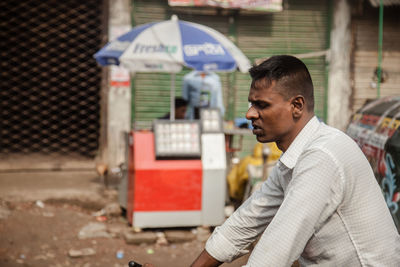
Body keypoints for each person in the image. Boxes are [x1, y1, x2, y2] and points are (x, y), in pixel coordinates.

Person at [188, 55, 400, 266]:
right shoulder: (295, 158)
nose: (250, 114)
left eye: (261, 104)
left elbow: (273, 254)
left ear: (297, 105)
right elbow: (245, 222)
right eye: (252, 104)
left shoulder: (322, 156)